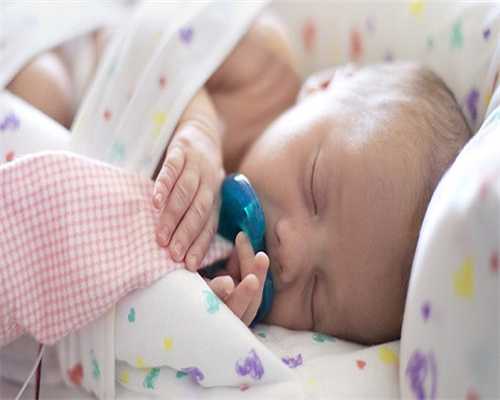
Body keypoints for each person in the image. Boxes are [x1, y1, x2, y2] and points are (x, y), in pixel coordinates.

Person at [7, 13, 471, 345]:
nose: (290, 253)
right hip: (73, 59)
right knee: (45, 90)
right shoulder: (265, 67)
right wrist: (196, 123)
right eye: (314, 190)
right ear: (324, 87)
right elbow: (149, 38)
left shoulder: (242, 273)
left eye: (315, 295)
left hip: (68, 186)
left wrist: (201, 301)